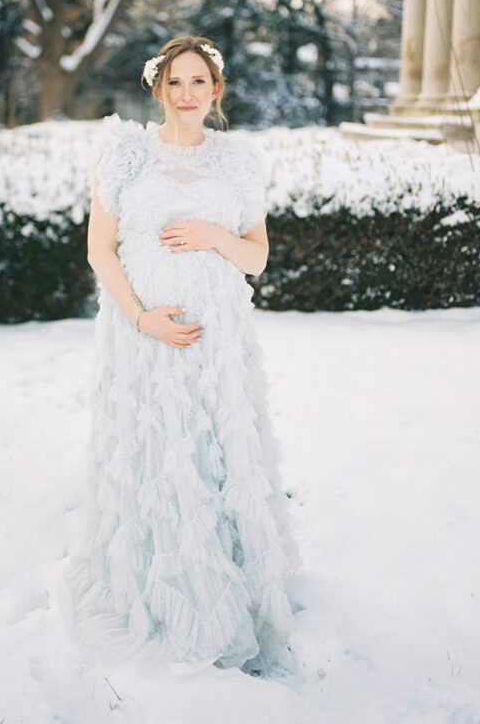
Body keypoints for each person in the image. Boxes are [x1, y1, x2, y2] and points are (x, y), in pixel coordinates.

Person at [57, 35, 303, 679]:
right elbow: (100, 249)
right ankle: (162, 588)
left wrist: (215, 235)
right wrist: (142, 319)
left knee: (217, 455)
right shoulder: (127, 155)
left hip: (218, 341)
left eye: (200, 83)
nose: (187, 94)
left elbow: (257, 258)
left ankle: (229, 580)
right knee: (160, 454)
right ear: (158, 89)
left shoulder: (239, 164)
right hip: (145, 339)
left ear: (215, 91)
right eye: (176, 83)